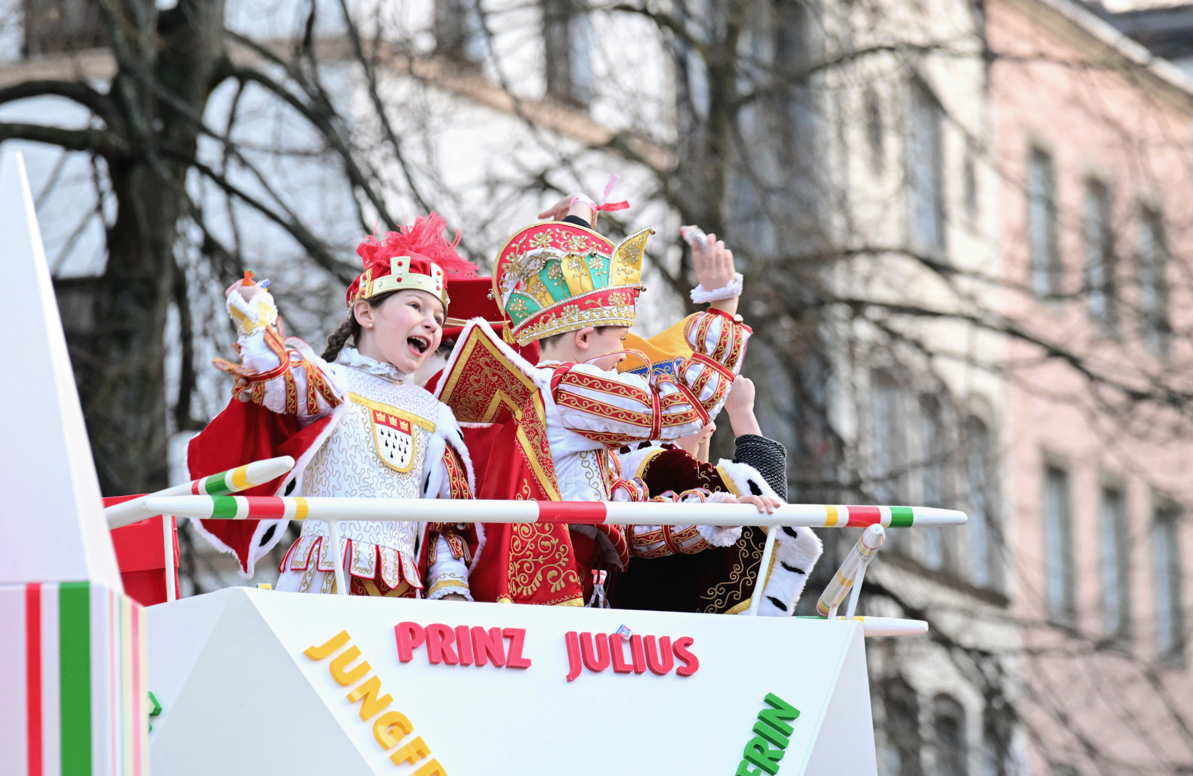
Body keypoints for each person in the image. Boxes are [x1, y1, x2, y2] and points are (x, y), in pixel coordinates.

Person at [433, 193, 777, 606]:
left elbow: (627, 526)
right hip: (552, 601)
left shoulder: (576, 417)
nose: (625, 357)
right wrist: (722, 307)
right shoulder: (568, 389)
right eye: (619, 341)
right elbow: (680, 406)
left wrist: (715, 514)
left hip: (576, 593)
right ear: (582, 339)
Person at [187, 214, 477, 599]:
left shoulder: (435, 415)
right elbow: (277, 378)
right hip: (324, 577)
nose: (431, 323)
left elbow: (447, 524)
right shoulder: (333, 383)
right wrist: (258, 320)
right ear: (365, 313)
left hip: (404, 594)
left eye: (438, 318)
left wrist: (451, 589)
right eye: (416, 306)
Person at [608, 375, 823, 616]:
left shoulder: (622, 463)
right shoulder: (661, 463)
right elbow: (768, 502)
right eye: (702, 412)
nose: (710, 426)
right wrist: (742, 413)